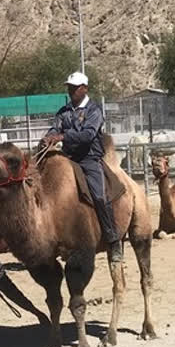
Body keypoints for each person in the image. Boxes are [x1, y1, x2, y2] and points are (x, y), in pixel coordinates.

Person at [40, 71, 122, 262]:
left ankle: (113, 239)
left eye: (75, 88)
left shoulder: (94, 111)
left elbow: (87, 135)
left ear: (85, 88)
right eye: (69, 87)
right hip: (67, 158)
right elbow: (55, 128)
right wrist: (48, 138)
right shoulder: (64, 112)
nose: (71, 91)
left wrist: (62, 137)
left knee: (99, 196)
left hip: (89, 159)